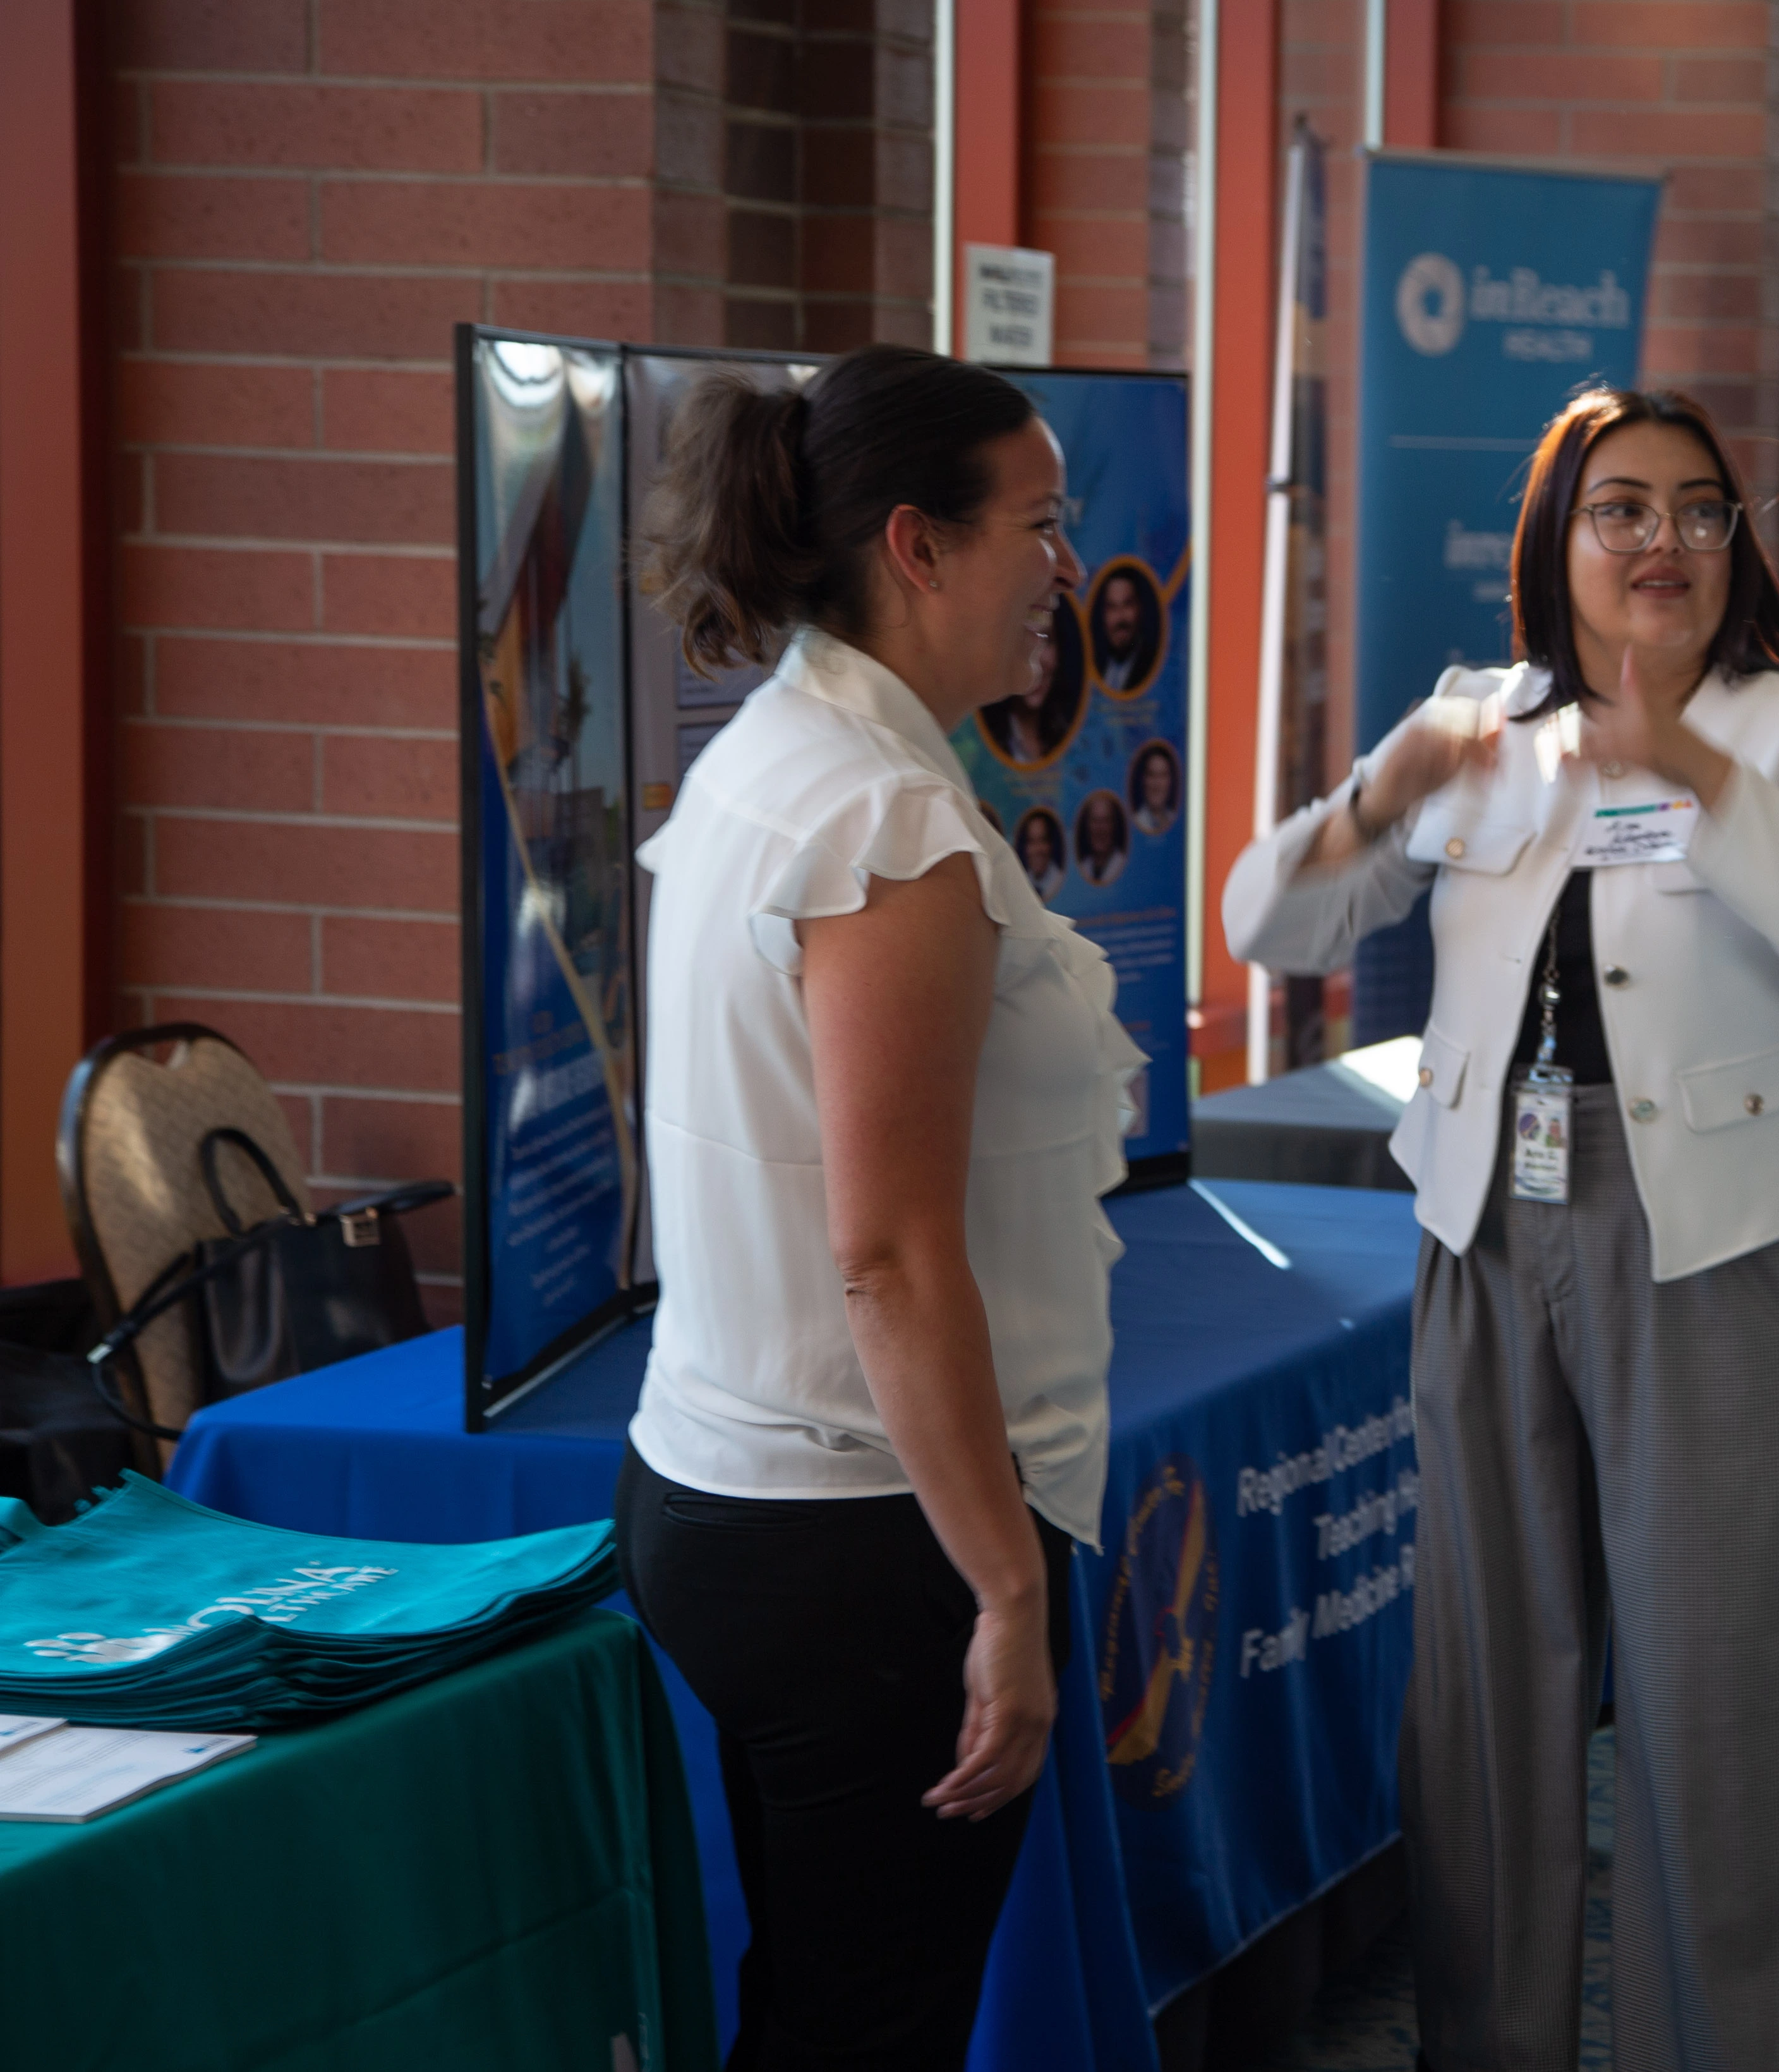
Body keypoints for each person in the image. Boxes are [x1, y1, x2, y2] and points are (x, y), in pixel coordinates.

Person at [1222, 385, 1779, 2072]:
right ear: (1555, 535)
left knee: (1724, 1687)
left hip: (1714, 1237)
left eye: (1697, 508)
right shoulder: (1481, 725)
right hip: (1487, 1220)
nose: (1661, 540)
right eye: (1620, 507)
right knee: (1484, 1687)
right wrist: (1380, 792)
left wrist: (1690, 765)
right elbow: (1268, 920)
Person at [621, 344, 1143, 2068]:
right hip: (870, 1535)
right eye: (1041, 523)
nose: (1068, 565)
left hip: (756, 1493)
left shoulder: (775, 752)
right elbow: (890, 1253)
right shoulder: (884, 820)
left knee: (830, 2004)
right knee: (871, 2026)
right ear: (916, 545)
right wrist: (1003, 1586)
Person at [980, 593, 1087, 766]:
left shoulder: (1073, 741)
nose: (1038, 660)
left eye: (1047, 640)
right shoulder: (983, 750)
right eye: (1025, 636)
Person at [1088, 562, 1164, 695]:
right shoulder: (1095, 665)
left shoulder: (1153, 667)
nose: (1120, 618)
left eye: (1127, 605)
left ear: (1140, 609)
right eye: (1112, 607)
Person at [1074, 789, 1130, 886]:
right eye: (1095, 821)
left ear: (1114, 826)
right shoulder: (1082, 868)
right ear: (1087, 826)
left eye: (1106, 821)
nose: (1100, 829)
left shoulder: (1124, 867)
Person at [1014, 803, 1068, 904]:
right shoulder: (1021, 883)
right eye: (1032, 842)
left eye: (1042, 840)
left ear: (1051, 844)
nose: (1037, 850)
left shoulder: (1060, 880)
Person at [1128, 740, 1181, 837]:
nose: (1157, 784)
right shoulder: (1137, 821)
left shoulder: (1175, 820)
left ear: (1170, 781)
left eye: (1163, 775)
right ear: (1143, 780)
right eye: (1152, 775)